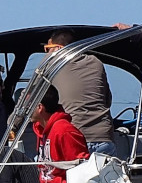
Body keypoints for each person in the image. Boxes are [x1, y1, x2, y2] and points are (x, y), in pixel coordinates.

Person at [41, 29, 117, 158]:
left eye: (48, 48)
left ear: (58, 48)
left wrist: (12, 125)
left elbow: (29, 97)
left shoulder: (51, 62)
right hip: (104, 137)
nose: (47, 53)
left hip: (74, 137)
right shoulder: (96, 62)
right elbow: (107, 99)